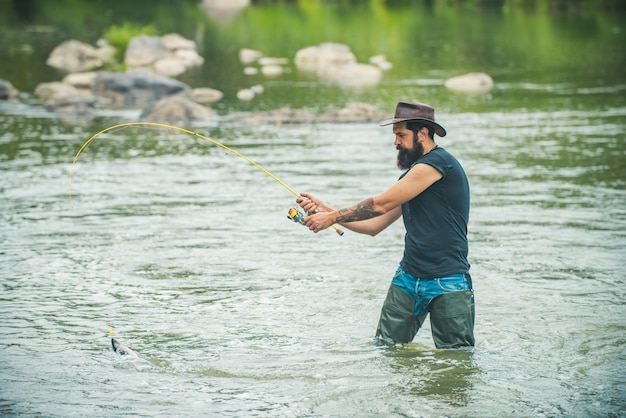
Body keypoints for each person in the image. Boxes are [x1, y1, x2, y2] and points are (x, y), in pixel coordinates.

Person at [296, 101, 475, 349]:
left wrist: (333, 217)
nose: (396, 143)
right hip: (408, 278)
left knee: (455, 362)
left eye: (401, 135)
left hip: (448, 281)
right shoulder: (412, 177)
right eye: (395, 136)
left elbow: (380, 204)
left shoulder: (436, 165)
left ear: (422, 133)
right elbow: (374, 225)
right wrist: (327, 209)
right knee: (387, 352)